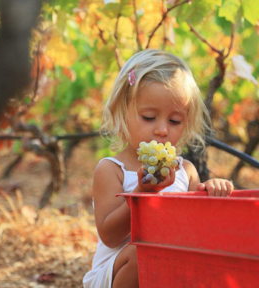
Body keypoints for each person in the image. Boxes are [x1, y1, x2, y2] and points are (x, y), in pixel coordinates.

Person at [83, 49, 234, 288]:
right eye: (149, 117)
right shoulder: (112, 169)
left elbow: (201, 230)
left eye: (174, 121)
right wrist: (143, 193)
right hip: (118, 273)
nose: (162, 130)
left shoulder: (186, 171)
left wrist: (211, 194)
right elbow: (110, 237)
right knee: (144, 252)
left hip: (168, 271)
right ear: (123, 112)